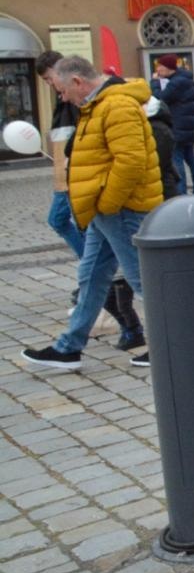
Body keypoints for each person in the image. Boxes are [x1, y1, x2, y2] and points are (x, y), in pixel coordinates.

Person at [20, 55, 165, 371]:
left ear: (76, 82)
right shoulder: (97, 106)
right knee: (91, 277)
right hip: (106, 212)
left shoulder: (116, 106)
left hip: (122, 210)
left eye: (60, 90)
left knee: (143, 281)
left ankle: (172, 344)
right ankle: (68, 347)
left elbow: (130, 162)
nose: (61, 97)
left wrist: (108, 203)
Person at [152, 54, 194, 194]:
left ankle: (182, 192)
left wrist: (155, 82)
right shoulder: (184, 78)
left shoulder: (176, 82)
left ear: (168, 68)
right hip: (188, 126)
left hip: (178, 126)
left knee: (177, 160)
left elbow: (160, 98)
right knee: (191, 158)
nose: (158, 69)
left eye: (160, 66)